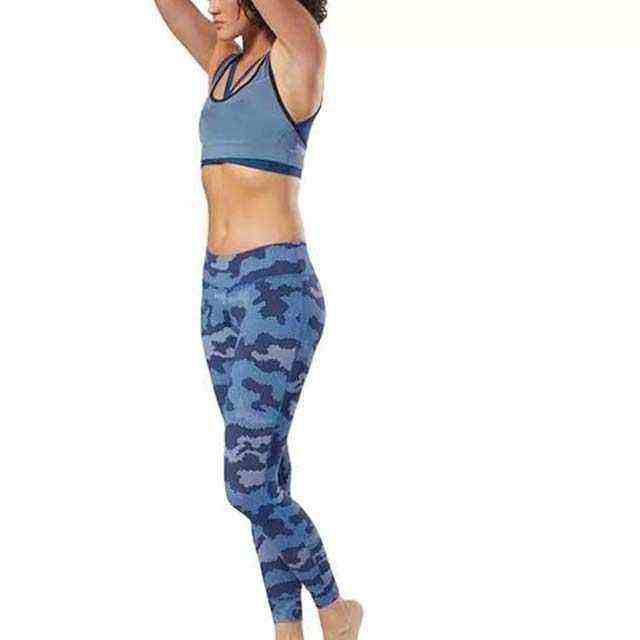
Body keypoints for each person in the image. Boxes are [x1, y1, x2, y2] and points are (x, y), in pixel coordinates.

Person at [153, 1, 364, 638]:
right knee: (267, 476)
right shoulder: (224, 62)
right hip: (218, 289)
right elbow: (169, 6)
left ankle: (337, 610)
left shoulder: (301, 55)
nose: (212, 6)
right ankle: (286, 629)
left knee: (247, 486)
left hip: (277, 288)